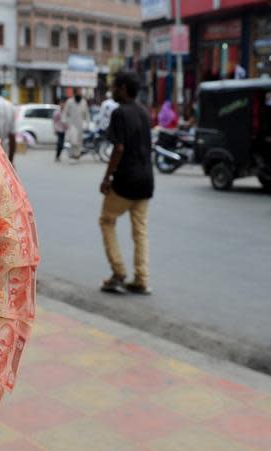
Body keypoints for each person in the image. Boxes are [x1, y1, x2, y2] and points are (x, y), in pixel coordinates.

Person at [99, 71, 154, 295]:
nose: (111, 90)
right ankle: (141, 278)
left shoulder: (120, 113)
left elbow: (119, 148)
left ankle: (119, 272)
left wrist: (107, 177)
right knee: (140, 231)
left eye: (113, 86)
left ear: (122, 88)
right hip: (146, 181)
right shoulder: (143, 111)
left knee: (106, 220)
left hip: (126, 182)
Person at [62, 88, 90, 160]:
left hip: (80, 124)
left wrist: (87, 123)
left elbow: (86, 114)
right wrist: (64, 121)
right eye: (78, 92)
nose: (80, 93)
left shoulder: (84, 102)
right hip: (72, 124)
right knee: (73, 140)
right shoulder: (69, 101)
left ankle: (77, 155)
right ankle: (73, 154)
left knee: (79, 141)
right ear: (75, 93)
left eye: (80, 92)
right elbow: (65, 112)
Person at [52, 97, 67, 162]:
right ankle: (57, 156)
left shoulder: (65, 112)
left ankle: (58, 156)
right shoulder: (57, 112)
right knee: (59, 143)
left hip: (64, 129)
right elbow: (54, 121)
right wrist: (54, 129)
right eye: (62, 103)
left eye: (64, 103)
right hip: (58, 129)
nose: (63, 105)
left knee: (62, 143)